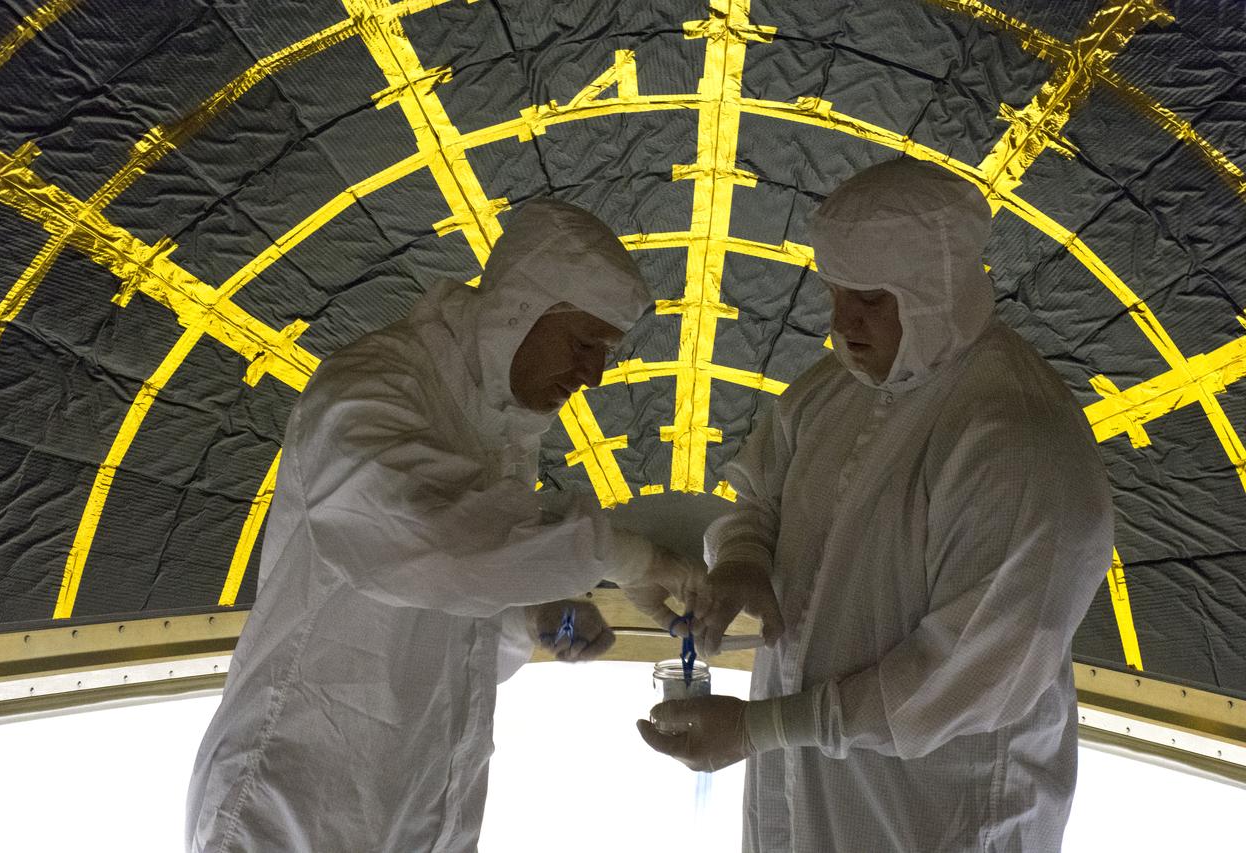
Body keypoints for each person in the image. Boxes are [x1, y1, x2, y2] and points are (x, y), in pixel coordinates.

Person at [187, 198, 704, 852]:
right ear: (521, 310)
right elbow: (434, 548)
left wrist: (530, 620)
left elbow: (455, 602)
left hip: (419, 804)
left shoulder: (503, 424)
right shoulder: (368, 392)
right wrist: (632, 556)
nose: (595, 375)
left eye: (604, 351)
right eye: (583, 343)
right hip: (294, 806)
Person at [637, 159, 1114, 852]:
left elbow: (957, 679)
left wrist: (758, 729)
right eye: (834, 293)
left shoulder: (1016, 443)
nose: (841, 322)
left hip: (938, 810)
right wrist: (743, 556)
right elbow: (761, 491)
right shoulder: (841, 385)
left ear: (932, 292)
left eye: (869, 300)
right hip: (805, 786)